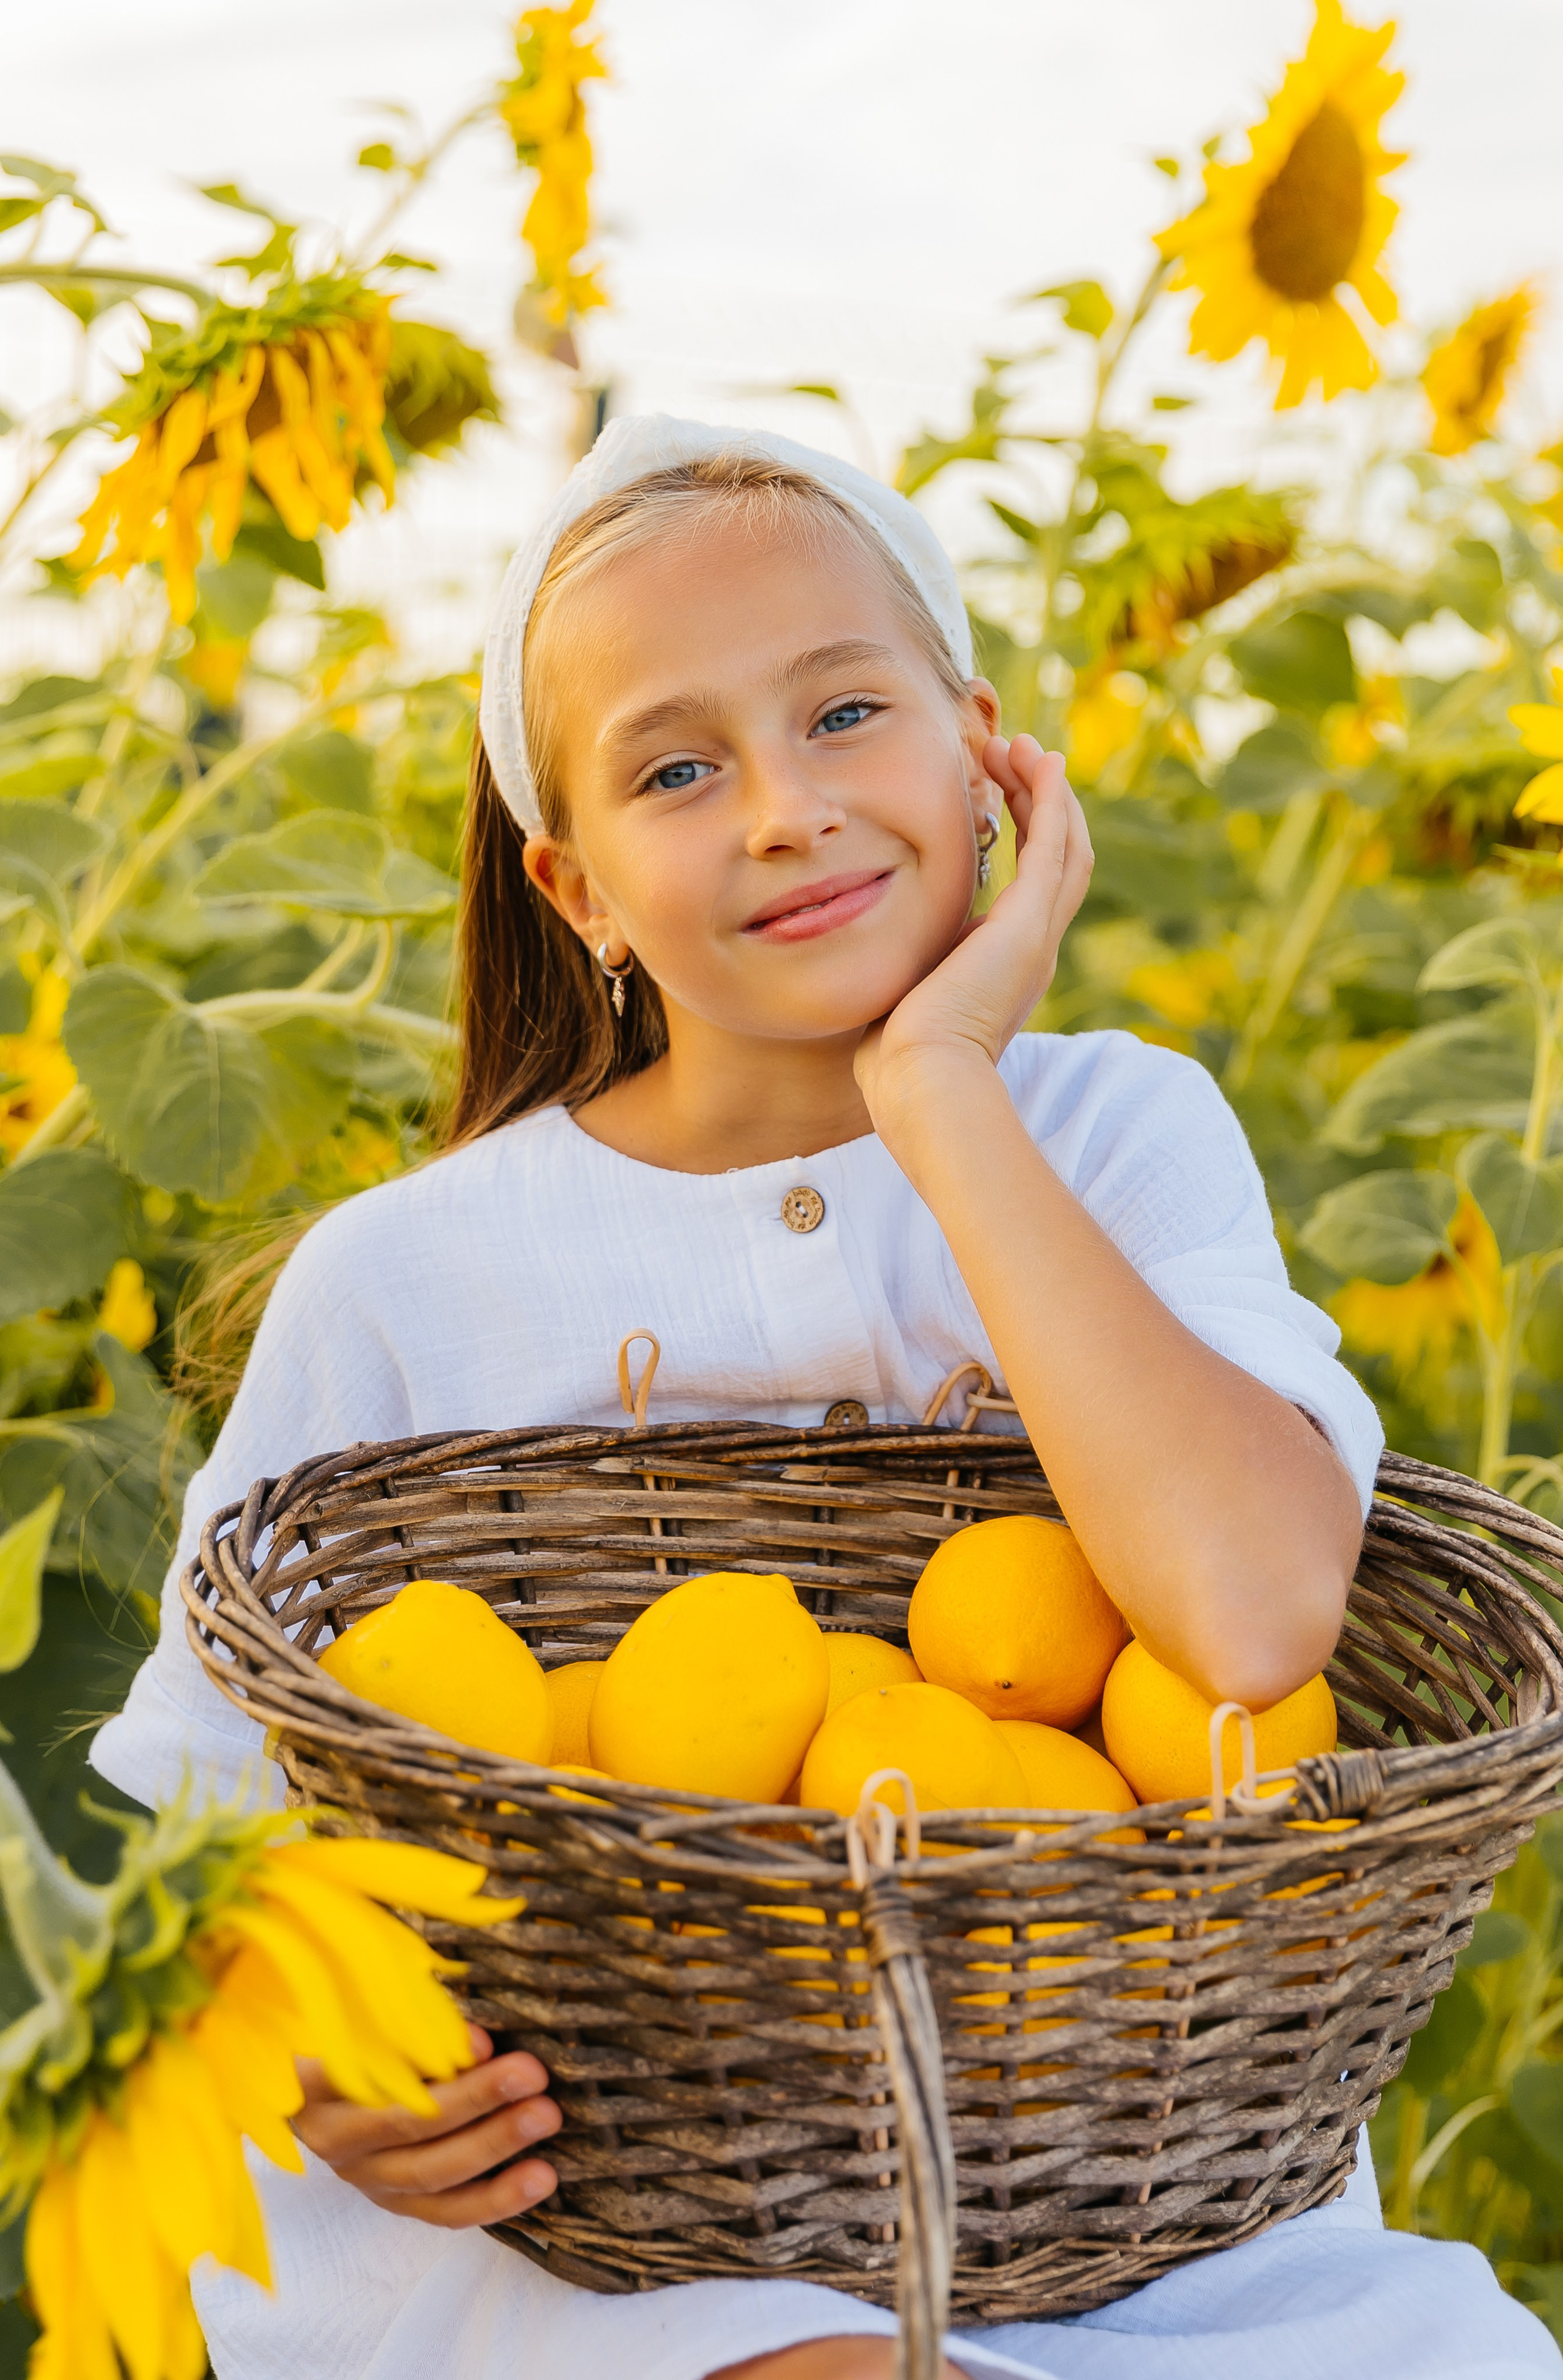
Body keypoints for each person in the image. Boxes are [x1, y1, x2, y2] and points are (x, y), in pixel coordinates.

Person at [92, 416, 1560, 2380]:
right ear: (578, 884)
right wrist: (302, 2076)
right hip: (597, 2233)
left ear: (984, 756)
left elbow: (1258, 1611)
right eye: (678, 768)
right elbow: (196, 1819)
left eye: (846, 712)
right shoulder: (411, 1277)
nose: (782, 808)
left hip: (1144, 2215)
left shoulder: (1112, 1132)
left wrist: (946, 1091)